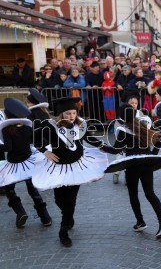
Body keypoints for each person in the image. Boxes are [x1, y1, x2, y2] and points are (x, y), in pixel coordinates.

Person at [32, 97, 108, 247]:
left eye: (74, 113)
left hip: (76, 167)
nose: (72, 116)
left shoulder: (80, 125)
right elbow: (36, 139)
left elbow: (90, 138)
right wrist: (45, 152)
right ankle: (68, 216)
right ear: (61, 114)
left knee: (70, 201)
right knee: (59, 200)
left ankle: (63, 230)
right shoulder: (50, 126)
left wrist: (104, 146)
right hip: (58, 168)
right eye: (68, 113)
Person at [100, 104, 161, 239]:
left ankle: (140, 222)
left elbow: (116, 150)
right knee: (150, 193)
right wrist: (153, 155)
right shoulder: (144, 125)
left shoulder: (123, 130)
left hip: (132, 165)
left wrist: (101, 146)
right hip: (147, 163)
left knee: (133, 194)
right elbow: (159, 139)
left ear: (121, 116)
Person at [0, 98, 52, 228]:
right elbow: (35, 141)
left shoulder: (6, 130)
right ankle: (45, 217)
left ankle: (20, 212)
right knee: (33, 190)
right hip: (29, 162)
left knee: (9, 189)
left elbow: (8, 148)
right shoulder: (28, 127)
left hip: (13, 164)